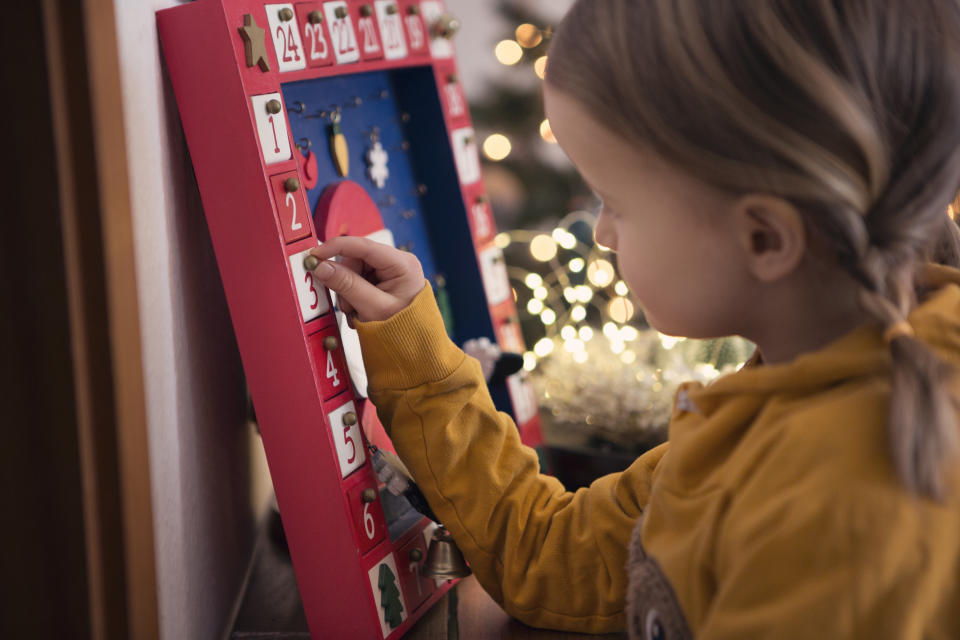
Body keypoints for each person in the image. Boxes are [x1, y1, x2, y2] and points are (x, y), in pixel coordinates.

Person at [308, 1, 960, 637]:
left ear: (765, 237)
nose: (601, 235)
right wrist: (414, 356)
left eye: (614, 201)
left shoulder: (838, 510)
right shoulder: (769, 403)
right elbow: (554, 556)